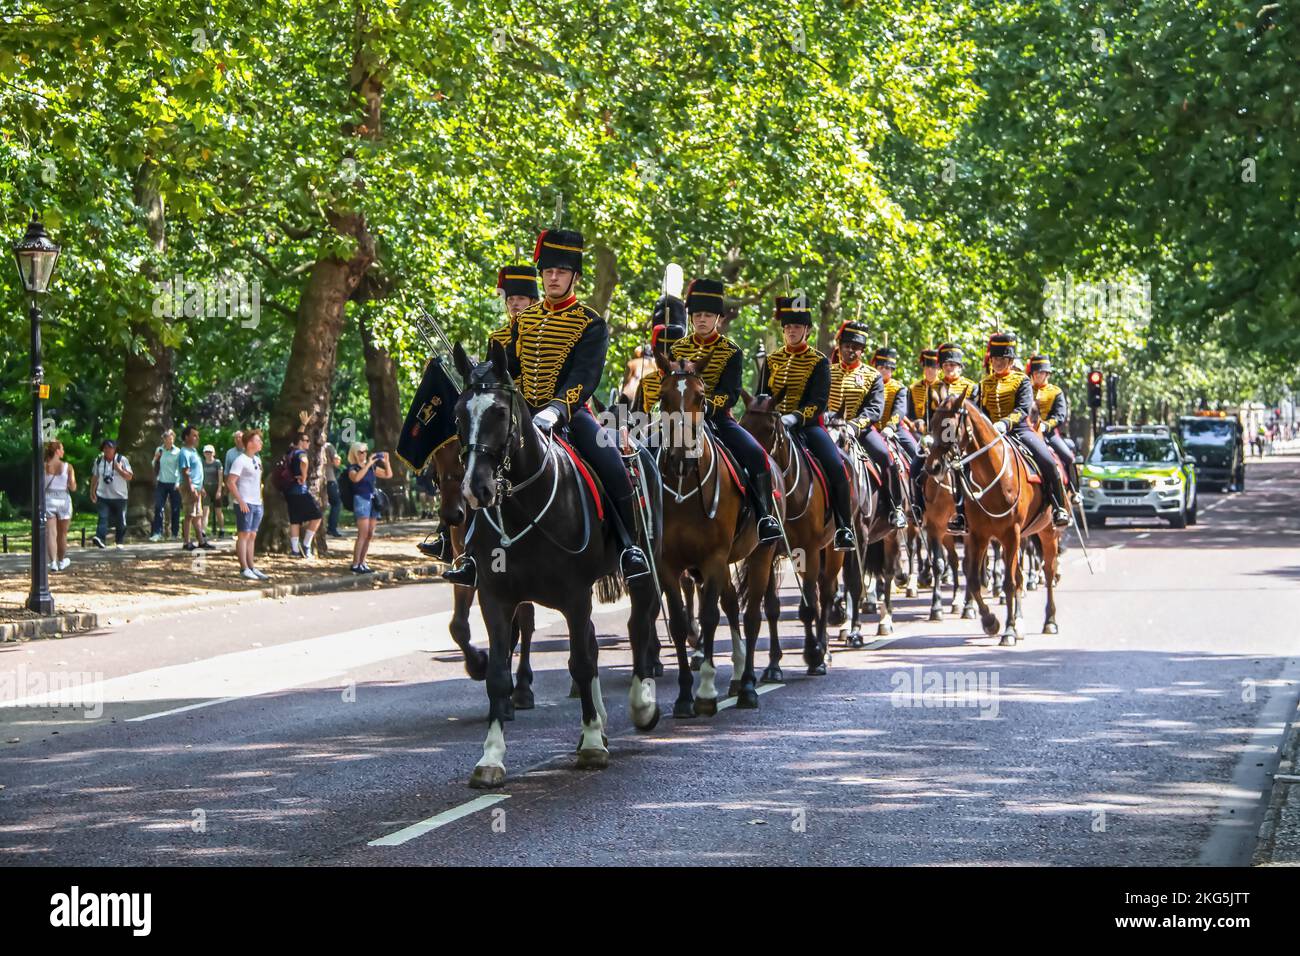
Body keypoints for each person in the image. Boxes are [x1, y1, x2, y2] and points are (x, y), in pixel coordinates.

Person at [443, 230, 651, 586]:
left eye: (561, 271)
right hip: (520, 416)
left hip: (571, 415)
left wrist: (556, 408)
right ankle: (473, 556)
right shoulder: (523, 322)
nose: (553, 277)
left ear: (575, 277)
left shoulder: (590, 322)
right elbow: (506, 368)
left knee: (613, 466)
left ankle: (629, 548)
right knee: (479, 463)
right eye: (548, 271)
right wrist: (478, 375)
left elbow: (586, 376)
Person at [640, 277, 781, 544]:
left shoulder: (731, 351)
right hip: (676, 420)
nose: (702, 320)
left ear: (718, 317)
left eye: (708, 315)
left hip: (718, 420)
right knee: (643, 453)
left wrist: (702, 408)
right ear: (691, 317)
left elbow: (730, 394)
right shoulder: (677, 349)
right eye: (697, 315)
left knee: (756, 456)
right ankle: (642, 518)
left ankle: (763, 518)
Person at [948, 332, 1070, 535]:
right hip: (989, 436)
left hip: (1018, 431)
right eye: (995, 359)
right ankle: (961, 514)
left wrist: (1005, 423)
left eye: (1003, 359)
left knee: (1048, 462)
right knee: (960, 465)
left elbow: (1023, 409)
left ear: (1011, 361)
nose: (998, 363)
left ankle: (1059, 508)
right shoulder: (984, 384)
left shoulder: (1021, 381)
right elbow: (978, 411)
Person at [766, 297, 856, 551]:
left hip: (808, 426)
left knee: (837, 467)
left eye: (797, 327)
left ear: (807, 330)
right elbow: (762, 395)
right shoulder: (771, 361)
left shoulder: (819, 361)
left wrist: (795, 417)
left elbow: (818, 401)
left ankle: (844, 527)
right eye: (787, 327)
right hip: (773, 427)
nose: (791, 330)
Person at [824, 322, 905, 530]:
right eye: (847, 345)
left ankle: (895, 507)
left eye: (856, 347)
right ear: (839, 346)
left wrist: (852, 426)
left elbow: (874, 409)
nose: (851, 350)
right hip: (827, 428)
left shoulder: (872, 376)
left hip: (860, 430)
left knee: (886, 457)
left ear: (862, 350)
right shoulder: (826, 371)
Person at [871, 344, 918, 527]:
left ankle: (917, 501)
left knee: (917, 456)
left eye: (888, 368)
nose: (884, 371)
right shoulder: (869, 383)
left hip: (894, 430)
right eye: (881, 367)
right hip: (871, 430)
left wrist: (890, 426)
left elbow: (899, 410)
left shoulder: (899, 388)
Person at [1027, 354, 1077, 490]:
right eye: (1035, 372)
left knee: (1069, 458)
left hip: (1048, 433)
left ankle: (1075, 489)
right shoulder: (1027, 390)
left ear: (1047, 374)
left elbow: (1060, 415)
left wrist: (1046, 425)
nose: (1037, 375)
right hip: (1027, 431)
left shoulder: (1056, 392)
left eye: (1041, 373)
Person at [226, 428, 268, 580]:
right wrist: (241, 500)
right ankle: (243, 568)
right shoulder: (240, 460)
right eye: (258, 440)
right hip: (245, 503)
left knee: (252, 535)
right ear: (250, 443)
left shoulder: (257, 459)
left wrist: (260, 499)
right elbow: (230, 482)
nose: (261, 443)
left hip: (257, 503)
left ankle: (252, 566)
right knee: (243, 535)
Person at [346, 442, 393, 573]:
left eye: (365, 451)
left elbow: (388, 475)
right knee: (363, 533)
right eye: (361, 452)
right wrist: (367, 464)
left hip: (373, 500)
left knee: (370, 533)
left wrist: (386, 462)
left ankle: (363, 562)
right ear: (355, 453)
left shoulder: (372, 467)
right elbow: (356, 478)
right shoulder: (352, 468)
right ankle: (355, 564)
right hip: (361, 500)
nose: (364, 454)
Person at [904, 348, 942, 509]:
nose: (930, 371)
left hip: (942, 437)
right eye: (927, 367)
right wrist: (914, 422)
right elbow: (908, 413)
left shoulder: (944, 386)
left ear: (939, 369)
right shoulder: (913, 388)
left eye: (933, 367)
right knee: (914, 468)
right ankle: (917, 505)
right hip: (921, 436)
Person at [284, 432, 323, 559]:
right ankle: (306, 545)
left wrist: (303, 425)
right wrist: (304, 476)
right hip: (300, 490)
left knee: (295, 520)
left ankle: (295, 550)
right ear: (300, 442)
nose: (309, 443)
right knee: (317, 515)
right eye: (306, 440)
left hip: (289, 490)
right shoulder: (300, 453)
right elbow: (304, 461)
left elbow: (297, 436)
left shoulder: (290, 451)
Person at [89, 438, 132, 549]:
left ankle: (119, 541)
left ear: (115, 449)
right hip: (103, 495)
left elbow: (129, 476)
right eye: (106, 448)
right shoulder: (98, 461)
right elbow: (95, 476)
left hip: (120, 496)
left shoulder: (122, 460)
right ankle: (100, 538)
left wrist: (119, 470)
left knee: (121, 520)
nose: (108, 450)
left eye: (110, 448)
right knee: (102, 517)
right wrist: (92, 490)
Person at [177, 425, 212, 552]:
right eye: (194, 435)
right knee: (189, 515)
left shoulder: (193, 451)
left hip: (197, 487)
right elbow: (186, 472)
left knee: (197, 515)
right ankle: (186, 542)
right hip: (189, 488)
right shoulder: (184, 452)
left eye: (197, 435)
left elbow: (197, 471)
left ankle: (201, 542)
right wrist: (191, 489)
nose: (197, 438)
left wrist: (200, 487)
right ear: (186, 437)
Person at [43, 440, 76, 572]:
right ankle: (62, 561)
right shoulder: (68, 467)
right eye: (61, 449)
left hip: (48, 499)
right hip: (63, 500)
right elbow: (73, 487)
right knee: (62, 534)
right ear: (57, 451)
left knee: (51, 533)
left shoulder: (43, 466)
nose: (63, 451)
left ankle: (53, 563)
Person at [150, 429, 182, 541]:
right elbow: (153, 464)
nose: (169, 441)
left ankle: (174, 533)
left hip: (174, 483)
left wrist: (178, 482)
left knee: (175, 508)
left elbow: (180, 468)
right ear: (164, 439)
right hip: (162, 482)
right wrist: (156, 457)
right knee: (158, 507)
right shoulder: (159, 449)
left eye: (171, 439)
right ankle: (157, 533)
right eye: (167, 439)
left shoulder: (178, 451)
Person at [202, 444, 226, 538]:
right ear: (204, 453)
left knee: (218, 510)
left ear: (214, 453)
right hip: (206, 488)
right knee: (205, 510)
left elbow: (220, 477)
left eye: (210, 452)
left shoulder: (217, 463)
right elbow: (200, 477)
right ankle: (203, 530)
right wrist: (202, 488)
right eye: (207, 452)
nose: (208, 454)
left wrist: (219, 490)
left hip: (216, 487)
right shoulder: (202, 463)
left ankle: (222, 529)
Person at [323, 438, 343, 538]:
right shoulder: (328, 446)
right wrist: (338, 458)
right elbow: (336, 462)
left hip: (316, 479)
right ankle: (332, 528)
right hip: (329, 479)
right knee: (336, 503)